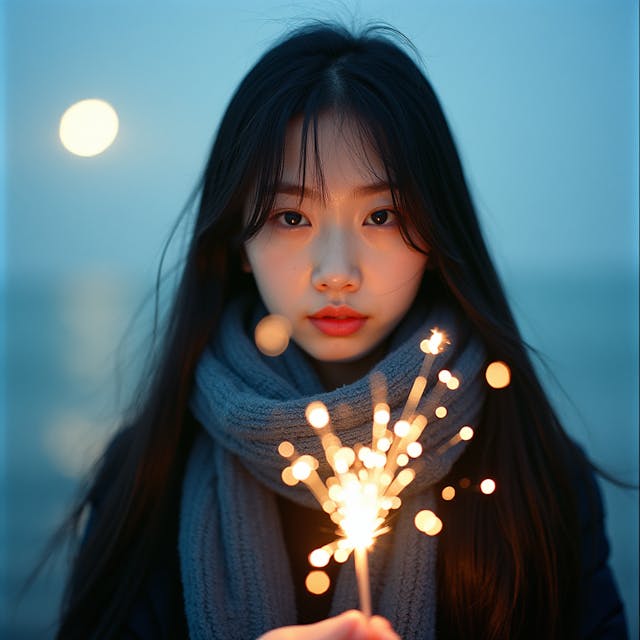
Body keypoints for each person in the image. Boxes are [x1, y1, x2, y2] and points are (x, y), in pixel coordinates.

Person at [53, 22, 628, 639]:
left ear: (435, 235)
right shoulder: (148, 473)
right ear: (238, 242)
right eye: (291, 215)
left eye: (381, 215)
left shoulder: (536, 473)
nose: (336, 274)